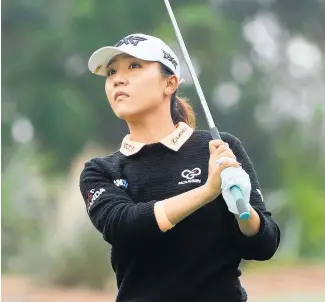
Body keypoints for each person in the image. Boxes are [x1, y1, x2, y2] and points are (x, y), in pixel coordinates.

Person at [79, 33, 281, 302]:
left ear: (170, 83)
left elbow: (264, 245)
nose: (118, 78)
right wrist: (207, 191)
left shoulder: (219, 147)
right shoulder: (101, 171)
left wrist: (242, 209)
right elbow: (125, 227)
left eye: (134, 66)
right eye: (111, 72)